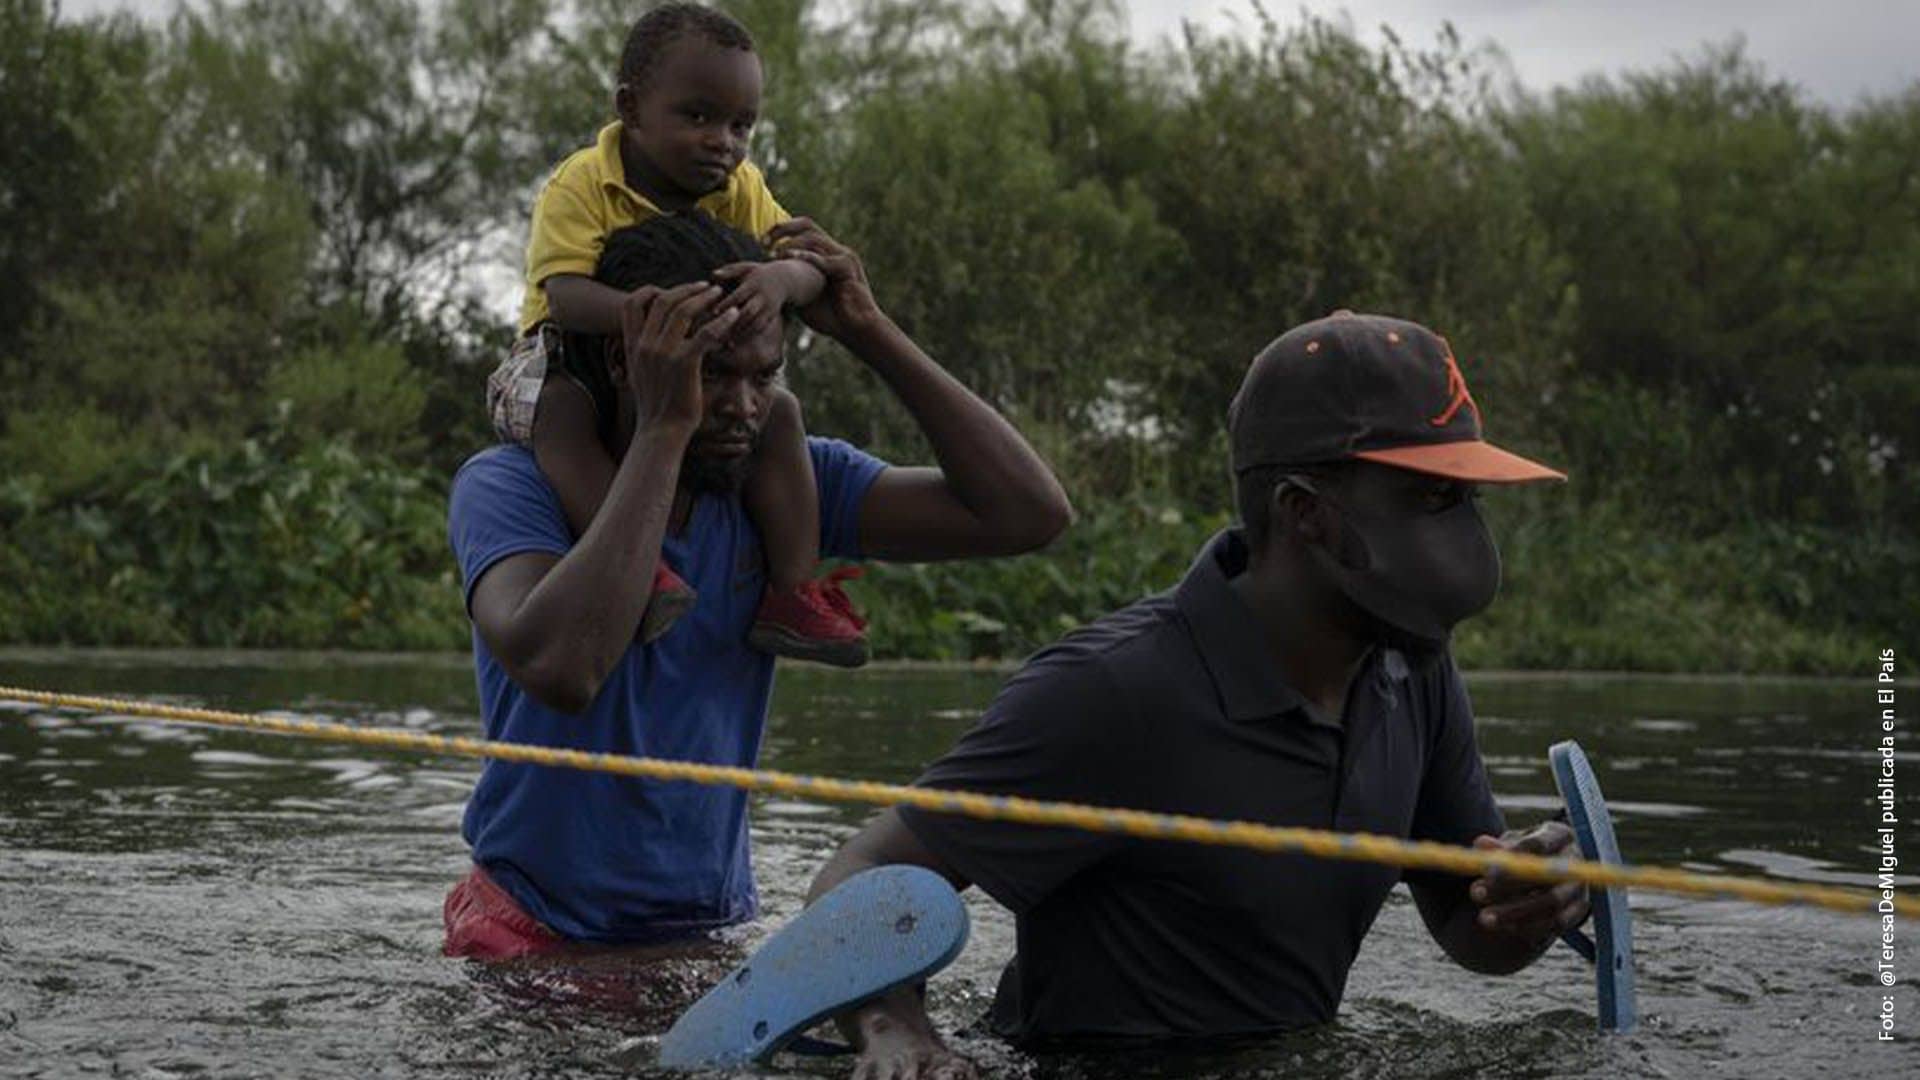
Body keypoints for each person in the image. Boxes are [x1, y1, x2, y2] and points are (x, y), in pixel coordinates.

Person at [807, 312, 1588, 1078]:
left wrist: (1528, 904)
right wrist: (894, 1031)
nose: (1463, 531)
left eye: (1469, 498)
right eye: (1432, 497)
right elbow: (861, 870)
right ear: (1305, 512)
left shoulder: (1412, 670)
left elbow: (1466, 921)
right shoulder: (1117, 691)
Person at [443, 213, 1071, 958]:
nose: (744, 407)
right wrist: (664, 430)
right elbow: (564, 668)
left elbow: (1028, 514)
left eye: (764, 377)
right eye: (714, 373)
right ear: (628, 361)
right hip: (533, 931)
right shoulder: (511, 487)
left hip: (705, 931)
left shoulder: (776, 489)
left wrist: (870, 330)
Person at [487, 2, 869, 666]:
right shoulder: (581, 182)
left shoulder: (741, 186)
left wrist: (780, 284)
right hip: (564, 356)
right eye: (698, 117)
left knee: (780, 413)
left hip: (696, 351)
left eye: (741, 124)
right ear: (631, 109)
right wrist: (666, 311)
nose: (723, 140)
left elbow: (809, 266)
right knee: (561, 419)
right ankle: (640, 575)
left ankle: (795, 592)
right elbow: (568, 296)